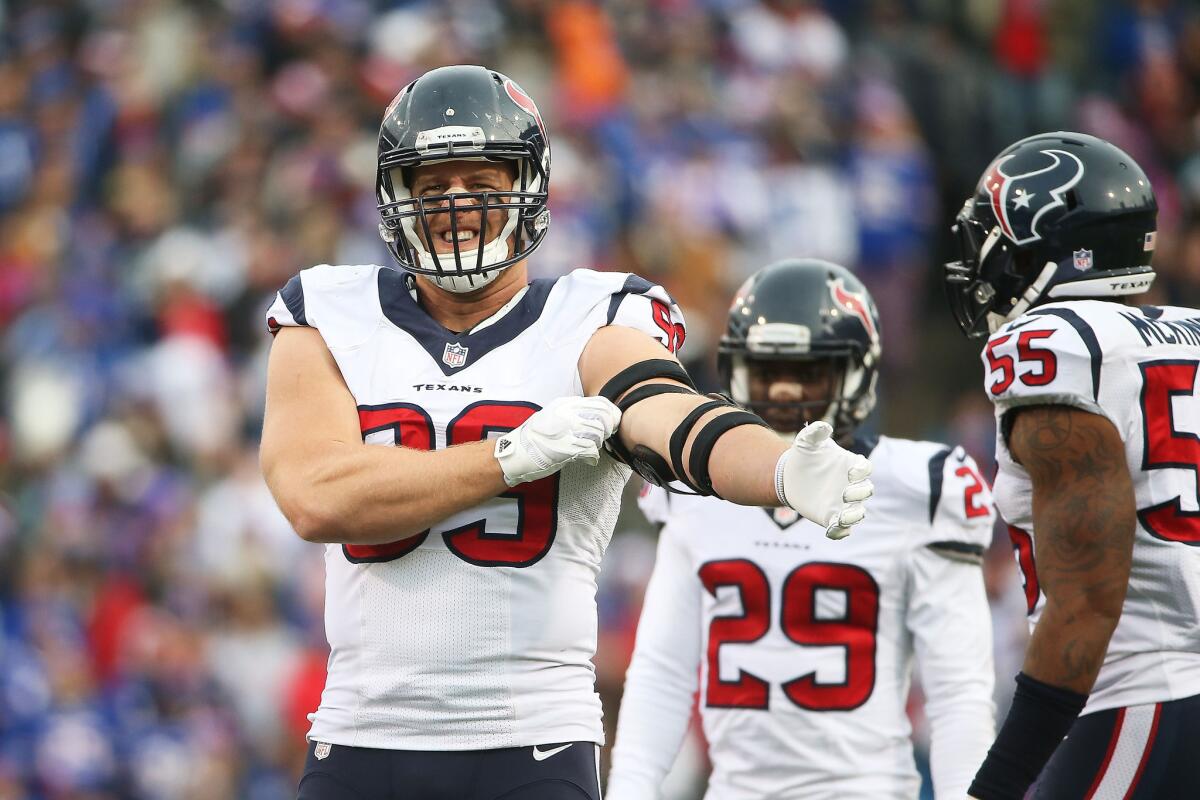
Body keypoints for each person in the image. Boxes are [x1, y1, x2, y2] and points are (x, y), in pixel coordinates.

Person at [258, 65, 874, 800]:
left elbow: (668, 415)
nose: (456, 205)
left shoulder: (594, 314)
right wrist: (511, 456)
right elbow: (316, 498)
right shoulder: (328, 310)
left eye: (481, 183)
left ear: (526, 188)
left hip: (533, 742)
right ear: (396, 201)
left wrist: (777, 468)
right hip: (361, 736)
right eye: (432, 186)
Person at [607, 259, 997, 799]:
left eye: (808, 371)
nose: (785, 393)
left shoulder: (915, 488)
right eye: (767, 371)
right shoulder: (696, 496)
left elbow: (958, 691)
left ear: (856, 374)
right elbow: (662, 673)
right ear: (737, 374)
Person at [945, 131, 1200, 800]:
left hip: (1146, 695)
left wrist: (997, 784)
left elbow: (1089, 600)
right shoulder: (1189, 336)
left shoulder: (1056, 346)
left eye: (992, 240)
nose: (982, 261)